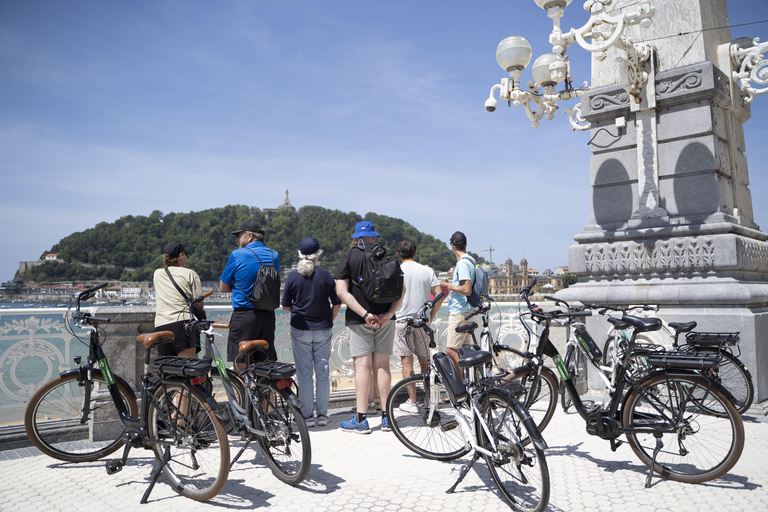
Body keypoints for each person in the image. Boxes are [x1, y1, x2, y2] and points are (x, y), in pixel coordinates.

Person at [333, 221, 404, 434]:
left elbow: (341, 291)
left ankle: (361, 419)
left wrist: (364, 314)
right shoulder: (387, 255)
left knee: (362, 366)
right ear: (374, 236)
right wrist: (388, 314)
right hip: (385, 319)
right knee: (382, 365)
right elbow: (402, 290)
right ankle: (386, 417)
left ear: (357, 237)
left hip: (359, 319)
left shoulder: (350, 255)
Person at [281, 237, 342, 428]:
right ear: (318, 255)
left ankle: (307, 416)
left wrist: (300, 312)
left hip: (300, 328)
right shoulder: (326, 276)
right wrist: (330, 319)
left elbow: (285, 305)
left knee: (304, 374)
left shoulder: (293, 276)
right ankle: (322, 414)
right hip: (323, 328)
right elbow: (337, 302)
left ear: (300, 254)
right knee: (323, 372)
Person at [220, 220, 280, 370]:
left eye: (239, 236)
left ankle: (242, 387)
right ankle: (264, 386)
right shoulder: (274, 255)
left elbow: (223, 287)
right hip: (267, 316)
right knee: (264, 366)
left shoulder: (237, 255)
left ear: (250, 236)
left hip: (244, 317)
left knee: (240, 366)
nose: (237, 240)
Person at [393, 240, 444, 413]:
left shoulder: (396, 270)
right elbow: (439, 295)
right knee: (425, 361)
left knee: (406, 362)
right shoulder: (427, 270)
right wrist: (431, 315)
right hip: (422, 322)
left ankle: (413, 401)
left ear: (398, 254)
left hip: (402, 321)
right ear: (415, 252)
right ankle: (430, 400)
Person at [153, 242, 204, 358]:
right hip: (184, 325)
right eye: (186, 254)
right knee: (186, 366)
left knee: (168, 367)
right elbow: (199, 305)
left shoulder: (157, 274)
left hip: (162, 325)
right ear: (181, 256)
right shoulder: (190, 274)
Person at [439, 231, 475, 375]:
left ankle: (460, 386)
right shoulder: (470, 261)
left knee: (451, 351)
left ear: (452, 245)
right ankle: (469, 382)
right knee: (464, 350)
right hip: (467, 310)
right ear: (466, 245)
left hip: (460, 311)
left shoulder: (463, 263)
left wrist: (446, 285)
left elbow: (466, 289)